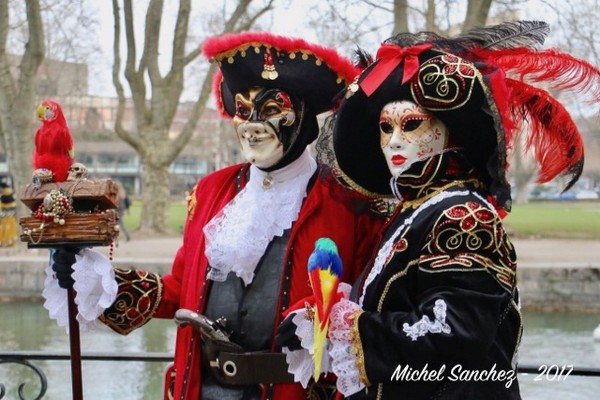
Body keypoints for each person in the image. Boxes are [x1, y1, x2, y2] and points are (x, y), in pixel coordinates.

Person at [49, 32, 385, 400]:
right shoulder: (211, 192)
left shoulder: (349, 204)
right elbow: (182, 292)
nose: (253, 124)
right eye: (243, 110)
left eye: (272, 110)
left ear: (303, 118)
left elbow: (374, 306)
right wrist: (97, 280)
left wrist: (323, 317)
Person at [278, 21, 599, 399]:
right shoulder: (415, 210)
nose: (395, 140)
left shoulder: (464, 215)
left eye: (411, 125)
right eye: (385, 127)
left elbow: (454, 336)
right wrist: (331, 316)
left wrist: (349, 327)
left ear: (448, 131)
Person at [0, 179, 18, 248]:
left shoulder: (2, 197)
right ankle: (10, 241)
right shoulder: (11, 196)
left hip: (4, 218)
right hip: (11, 218)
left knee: (4, 228)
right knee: (11, 227)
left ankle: (3, 242)